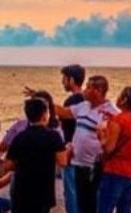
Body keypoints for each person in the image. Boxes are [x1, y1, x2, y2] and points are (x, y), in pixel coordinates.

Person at [49, 74, 117, 213]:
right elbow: (65, 112)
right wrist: (45, 101)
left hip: (95, 167)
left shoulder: (111, 113)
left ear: (98, 91)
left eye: (88, 87)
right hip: (78, 164)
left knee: (93, 203)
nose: (84, 90)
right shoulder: (83, 106)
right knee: (81, 203)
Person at [4, 97, 67, 213]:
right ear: (44, 115)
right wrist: (69, 148)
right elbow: (63, 162)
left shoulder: (20, 137)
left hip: (22, 190)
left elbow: (7, 165)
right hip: (43, 191)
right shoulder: (53, 136)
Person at [96, 86, 131, 213]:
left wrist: (101, 136)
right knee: (125, 208)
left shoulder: (118, 120)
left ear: (123, 100)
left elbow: (109, 148)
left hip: (116, 170)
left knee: (104, 208)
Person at [59, 64, 86, 213]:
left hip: (71, 151)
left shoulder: (71, 102)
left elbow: (63, 124)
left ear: (71, 80)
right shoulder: (87, 100)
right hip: (84, 153)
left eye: (64, 78)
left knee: (71, 192)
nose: (62, 82)